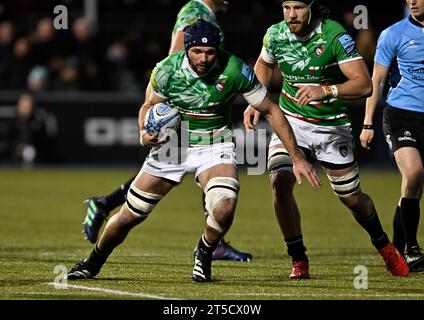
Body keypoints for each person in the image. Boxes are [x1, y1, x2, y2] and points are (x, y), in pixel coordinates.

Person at [67, 20, 320, 282]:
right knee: (130, 215)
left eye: (210, 52)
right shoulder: (167, 70)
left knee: (224, 207)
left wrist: (297, 157)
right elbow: (149, 105)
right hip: (173, 145)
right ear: (186, 49)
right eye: (197, 52)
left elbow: (271, 110)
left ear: (217, 50)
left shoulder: (235, 69)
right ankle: (92, 262)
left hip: (215, 143)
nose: (203, 58)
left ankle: (205, 250)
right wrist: (144, 133)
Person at [244, 0, 409, 278]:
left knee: (352, 198)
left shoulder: (334, 35)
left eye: (298, 8)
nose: (291, 15)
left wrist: (326, 90)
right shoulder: (275, 34)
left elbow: (364, 84)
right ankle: (298, 258)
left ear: (311, 8)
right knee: (279, 182)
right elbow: (263, 64)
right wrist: (254, 99)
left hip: (330, 126)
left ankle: (383, 244)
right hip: (291, 121)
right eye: (286, 8)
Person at [82, 0, 255, 262]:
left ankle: (107, 203)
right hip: (184, 114)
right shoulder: (195, 13)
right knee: (154, 190)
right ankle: (105, 205)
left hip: (192, 114)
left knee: (209, 180)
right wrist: (162, 114)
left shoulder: (204, 14)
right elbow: (176, 60)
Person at [360, 0, 424, 272]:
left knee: (411, 190)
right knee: (414, 173)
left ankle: (397, 251)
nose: (412, 1)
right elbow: (376, 81)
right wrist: (367, 123)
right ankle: (412, 249)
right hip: (400, 115)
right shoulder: (393, 34)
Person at [7, 93, 58, 167]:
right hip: (16, 159)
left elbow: (45, 141)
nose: (25, 109)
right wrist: (17, 147)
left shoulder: (38, 122)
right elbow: (9, 140)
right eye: (23, 106)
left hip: (38, 158)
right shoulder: (13, 122)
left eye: (28, 106)